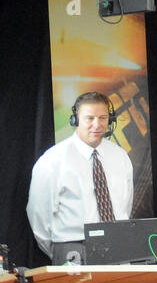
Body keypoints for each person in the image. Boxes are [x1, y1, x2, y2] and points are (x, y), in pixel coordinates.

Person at [27, 92, 133, 264]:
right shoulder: (53, 160)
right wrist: (59, 250)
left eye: (103, 117)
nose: (97, 124)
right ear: (75, 120)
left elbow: (126, 204)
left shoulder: (120, 157)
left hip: (117, 246)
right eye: (89, 118)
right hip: (73, 248)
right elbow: (39, 215)